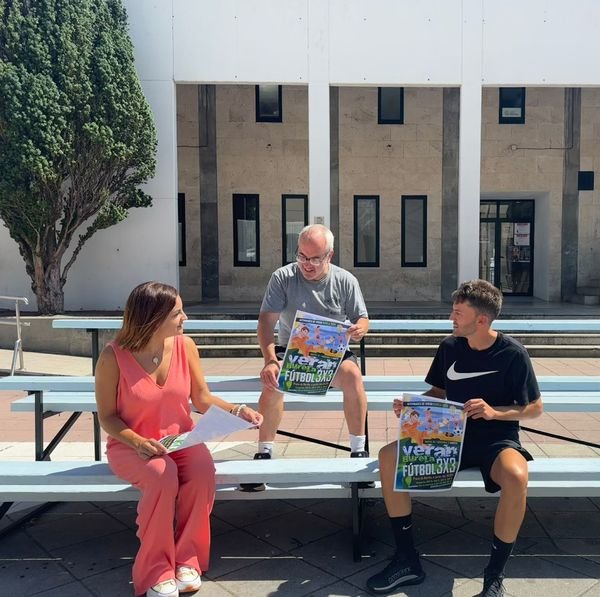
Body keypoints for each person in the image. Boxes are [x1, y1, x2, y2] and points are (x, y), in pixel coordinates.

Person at [366, 279, 543, 597]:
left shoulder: (513, 354)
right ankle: (407, 560)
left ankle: (494, 576)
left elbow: (534, 409)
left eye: (458, 313)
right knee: (388, 457)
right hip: (446, 437)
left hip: (496, 440)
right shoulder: (450, 347)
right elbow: (437, 392)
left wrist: (494, 412)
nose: (451, 317)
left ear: (482, 320)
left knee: (517, 476)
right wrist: (411, 407)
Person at [95, 281, 262, 597]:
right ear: (153, 317)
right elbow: (107, 417)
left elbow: (201, 398)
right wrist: (139, 443)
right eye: (177, 313)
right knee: (162, 475)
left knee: (202, 471)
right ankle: (156, 569)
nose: (185, 317)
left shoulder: (186, 347)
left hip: (180, 440)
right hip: (131, 445)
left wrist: (239, 410)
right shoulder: (112, 357)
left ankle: (187, 560)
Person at [241, 224, 369, 490]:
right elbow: (265, 323)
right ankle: (264, 451)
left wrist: (360, 329)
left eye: (314, 258)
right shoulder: (283, 277)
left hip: (332, 352)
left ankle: (358, 450)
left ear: (329, 256)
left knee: (353, 376)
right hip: (291, 350)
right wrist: (269, 360)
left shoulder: (345, 280)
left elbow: (362, 317)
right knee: (272, 381)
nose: (306, 264)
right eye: (301, 256)